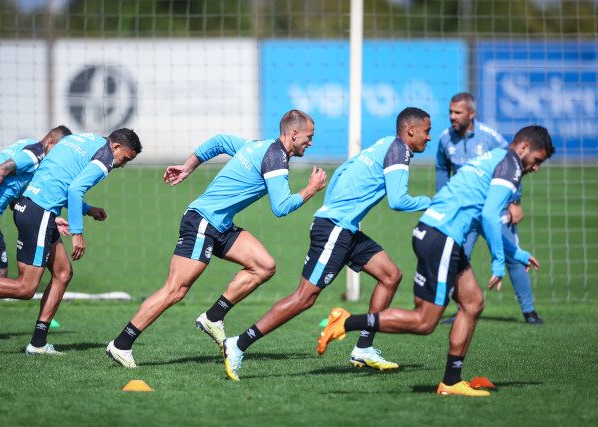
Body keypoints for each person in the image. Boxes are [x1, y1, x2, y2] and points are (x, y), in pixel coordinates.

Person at [317, 125, 555, 397]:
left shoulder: (496, 158)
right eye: (537, 161)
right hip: (442, 237)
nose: (536, 168)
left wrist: (517, 254)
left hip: (436, 233)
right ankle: (347, 322)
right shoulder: (510, 165)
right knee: (424, 322)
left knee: (473, 302)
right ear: (523, 147)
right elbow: (491, 216)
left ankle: (451, 381)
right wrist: (499, 263)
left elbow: (481, 216)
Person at [221, 107, 433, 381]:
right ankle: (238, 344)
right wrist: (435, 203)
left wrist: (332, 205)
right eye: (426, 131)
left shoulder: (385, 144)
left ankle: (364, 348)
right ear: (411, 130)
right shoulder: (399, 151)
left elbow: (345, 169)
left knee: (390, 276)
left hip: (345, 228)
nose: (429, 138)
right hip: (335, 230)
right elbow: (398, 200)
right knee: (304, 298)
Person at [105, 109, 326, 368]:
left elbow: (219, 140)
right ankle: (121, 344)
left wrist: (188, 167)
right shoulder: (275, 158)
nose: (310, 143)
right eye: (308, 138)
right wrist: (311, 189)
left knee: (264, 266)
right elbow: (281, 207)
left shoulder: (259, 146)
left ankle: (213, 317)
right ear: (294, 133)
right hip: (202, 223)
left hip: (219, 226)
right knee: (175, 290)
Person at [0, 129, 142, 354]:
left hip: (33, 208)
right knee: (25, 288)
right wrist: (77, 233)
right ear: (116, 147)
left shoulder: (84, 139)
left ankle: (38, 343)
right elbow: (75, 189)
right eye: (125, 158)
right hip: (40, 213)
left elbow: (58, 177)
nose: (122, 164)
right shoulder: (105, 157)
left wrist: (86, 210)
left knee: (63, 273)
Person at [0, 126, 72, 341]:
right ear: (51, 143)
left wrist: (50, 218)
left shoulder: (28, 148)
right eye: (59, 151)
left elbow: (15, 197)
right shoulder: (34, 154)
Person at [437, 92, 542, 324]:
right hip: (467, 210)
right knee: (459, 256)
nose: (452, 116)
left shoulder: (491, 138)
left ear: (471, 113)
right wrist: (443, 197)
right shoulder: (445, 139)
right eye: (450, 112)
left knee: (513, 255)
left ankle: (529, 311)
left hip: (497, 206)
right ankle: (462, 308)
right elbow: (441, 168)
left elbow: (514, 165)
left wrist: (515, 201)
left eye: (458, 112)